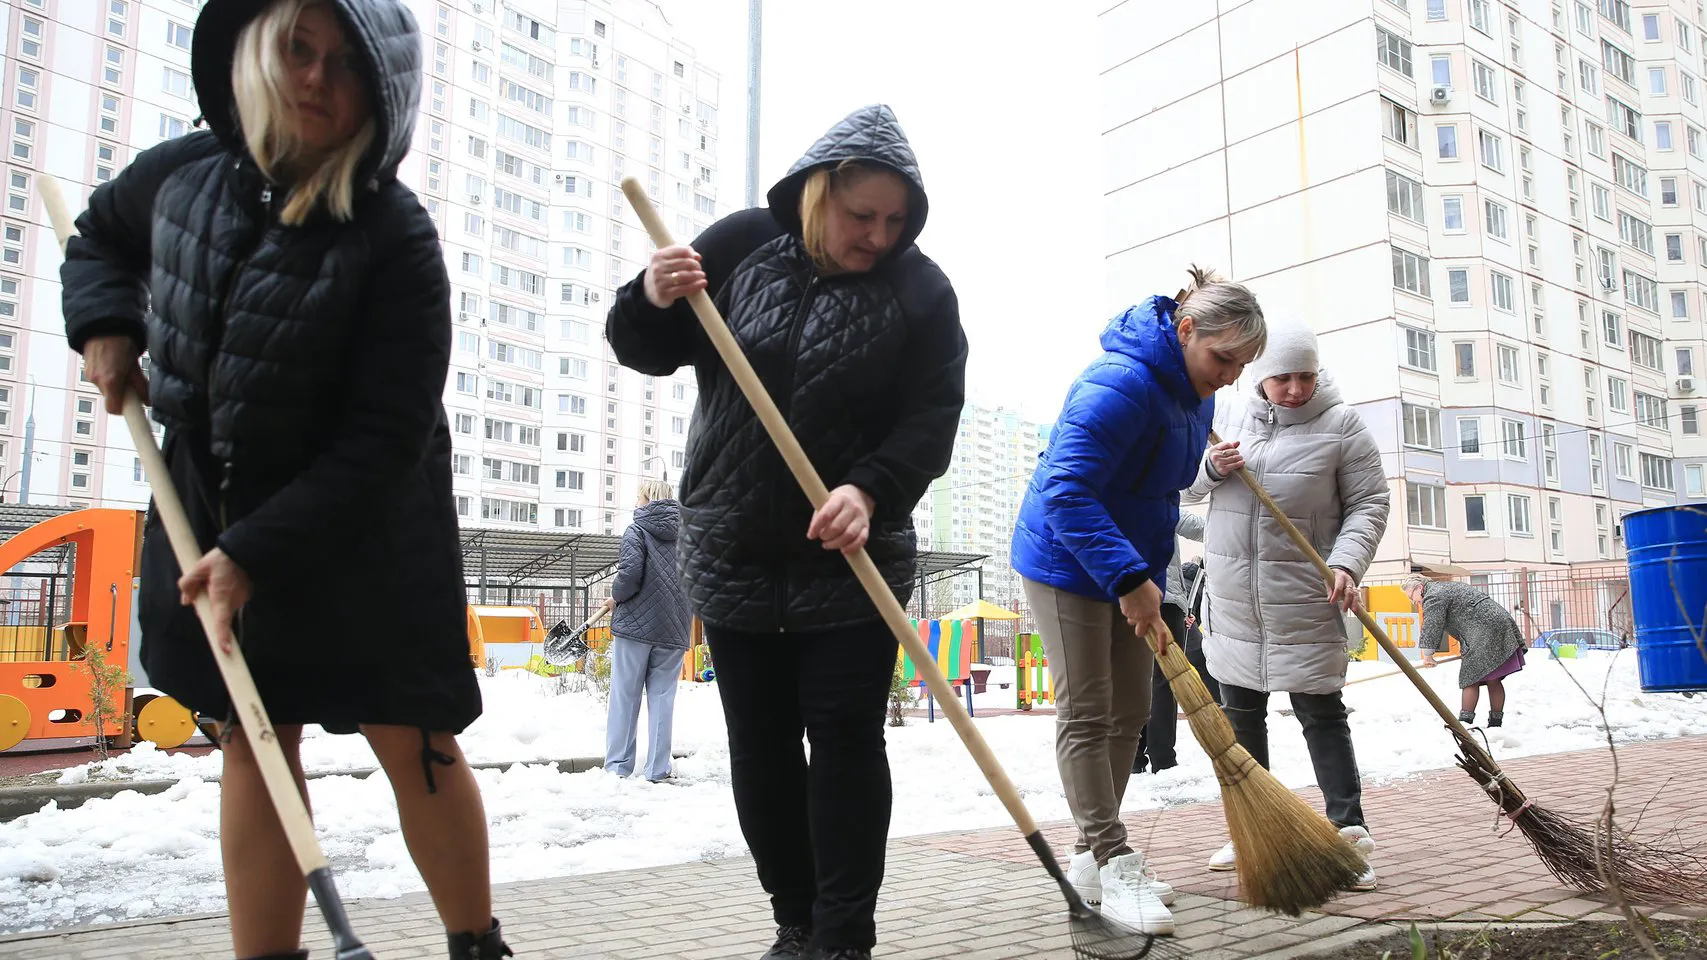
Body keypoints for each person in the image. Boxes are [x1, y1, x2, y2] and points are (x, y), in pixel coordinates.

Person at [60, 2, 509, 958]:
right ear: (255, 51)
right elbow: (98, 236)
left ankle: (475, 943)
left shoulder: (393, 234)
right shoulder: (180, 177)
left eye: (345, 65)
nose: (314, 78)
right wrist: (108, 324)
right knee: (254, 739)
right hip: (210, 496)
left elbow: (385, 434)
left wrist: (256, 553)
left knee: (411, 740)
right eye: (298, 50)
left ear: (381, 96)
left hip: (367, 525)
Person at [605, 105, 967, 960]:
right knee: (760, 753)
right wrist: (650, 296)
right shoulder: (737, 247)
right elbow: (641, 347)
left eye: (894, 220)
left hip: (848, 562)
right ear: (817, 194)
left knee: (844, 745)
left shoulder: (920, 291)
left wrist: (869, 489)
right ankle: (794, 919)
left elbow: (931, 417)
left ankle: (843, 936)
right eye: (860, 215)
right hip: (732, 553)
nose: (877, 235)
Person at [1010, 268, 1267, 936]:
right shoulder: (1118, 384)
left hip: (1129, 563)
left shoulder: (1194, 396)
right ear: (1185, 330)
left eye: (1242, 365)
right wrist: (1129, 578)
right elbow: (1067, 491)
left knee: (1129, 713)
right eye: (1223, 358)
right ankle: (1113, 857)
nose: (1231, 377)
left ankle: (1090, 859)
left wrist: (1147, 572)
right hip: (1064, 561)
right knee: (1087, 711)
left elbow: (1160, 491)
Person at [1185, 320, 1389, 892]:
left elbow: (1370, 503)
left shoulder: (1342, 426)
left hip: (1305, 594)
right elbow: (1184, 489)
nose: (1295, 389)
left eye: (1305, 376)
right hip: (1233, 600)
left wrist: (1347, 562)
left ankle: (1350, 832)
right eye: (1282, 378)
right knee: (1239, 721)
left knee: (1322, 715)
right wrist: (1209, 469)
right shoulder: (1224, 421)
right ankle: (1254, 828)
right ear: (1260, 376)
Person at [601, 479, 692, 782]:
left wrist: (615, 597)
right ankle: (657, 769)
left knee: (625, 697)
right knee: (663, 697)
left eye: (638, 497)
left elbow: (629, 575)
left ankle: (618, 767)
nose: (635, 503)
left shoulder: (636, 530)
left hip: (635, 628)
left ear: (648, 500)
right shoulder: (688, 536)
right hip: (674, 628)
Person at [1137, 526, 1217, 775]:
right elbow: (1196, 525)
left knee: (1139, 679)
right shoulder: (1161, 495)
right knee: (1166, 679)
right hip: (1167, 598)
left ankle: (1135, 758)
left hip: (1131, 596)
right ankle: (1163, 758)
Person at [1402, 574, 1527, 727]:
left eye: (1411, 596)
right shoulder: (1444, 587)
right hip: (1498, 623)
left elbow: (1432, 624)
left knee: (1470, 678)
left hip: (1485, 629)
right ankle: (1495, 723)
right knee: (1493, 678)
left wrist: (1427, 655)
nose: (1413, 601)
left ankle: (1465, 723)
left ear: (1420, 588)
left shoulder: (1433, 595)